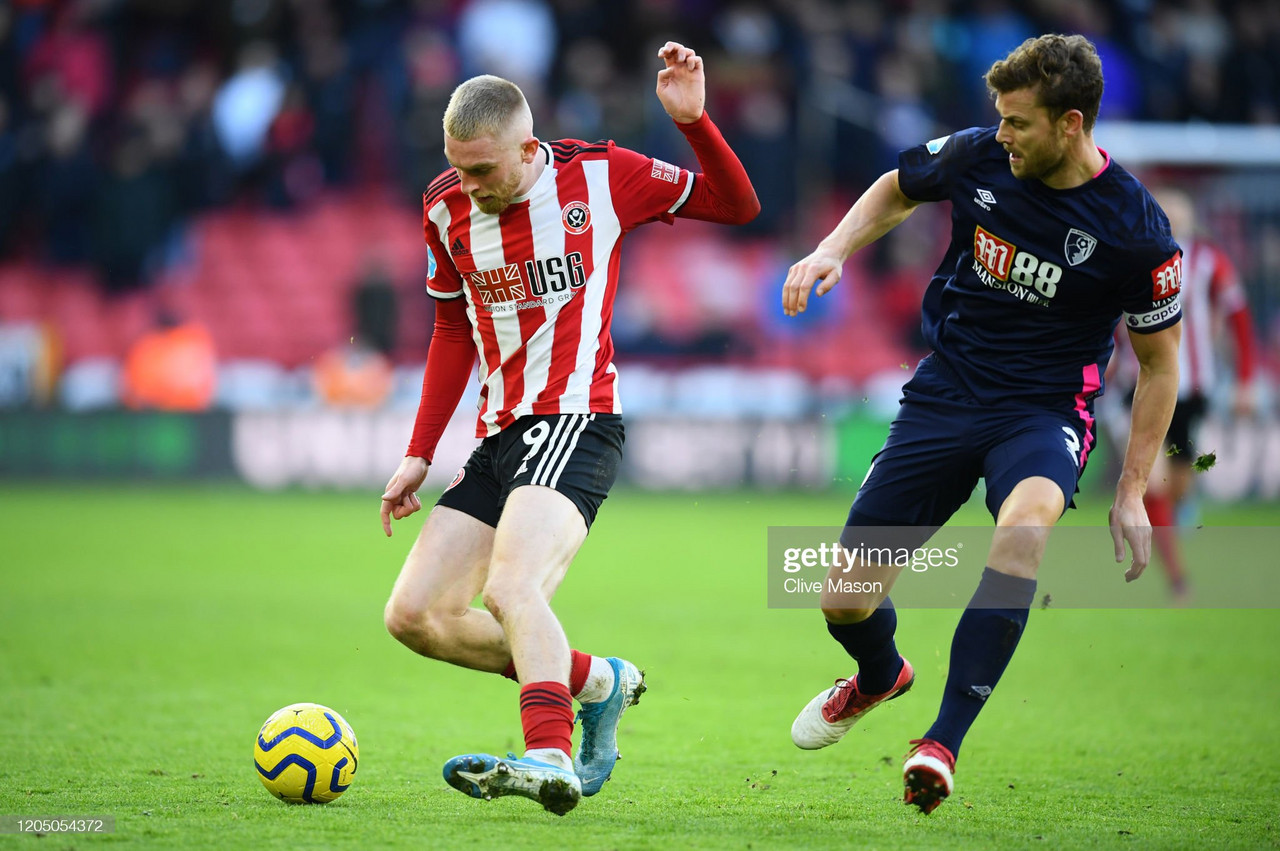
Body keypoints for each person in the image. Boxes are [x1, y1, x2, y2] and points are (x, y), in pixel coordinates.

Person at [780, 34, 1181, 814]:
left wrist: (1131, 490)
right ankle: (878, 676)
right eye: (998, 119)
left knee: (1026, 527)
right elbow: (897, 185)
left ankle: (943, 740)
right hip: (946, 392)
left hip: (1044, 410)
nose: (1001, 135)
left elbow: (1160, 365)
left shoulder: (1137, 229)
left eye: (1018, 123)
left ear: (1071, 123)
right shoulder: (978, 156)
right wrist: (833, 249)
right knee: (843, 598)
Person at [378, 42, 759, 816]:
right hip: (498, 435)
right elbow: (453, 328)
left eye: (484, 169)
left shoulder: (601, 173)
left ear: (528, 147)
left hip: (577, 418)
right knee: (414, 616)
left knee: (510, 588)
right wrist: (420, 450)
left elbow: (738, 206)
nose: (470, 184)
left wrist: (694, 123)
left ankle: (548, 754)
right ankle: (595, 680)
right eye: (458, 166)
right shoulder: (445, 205)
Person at [1115, 186, 1258, 602]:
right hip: (1137, 383)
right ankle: (1178, 580)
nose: (1173, 219)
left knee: (1178, 484)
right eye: (1166, 212)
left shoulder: (1209, 261)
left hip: (1192, 387)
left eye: (1180, 212)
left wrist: (1246, 379)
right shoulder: (1135, 255)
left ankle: (1174, 520)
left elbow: (1240, 318)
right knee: (1155, 481)